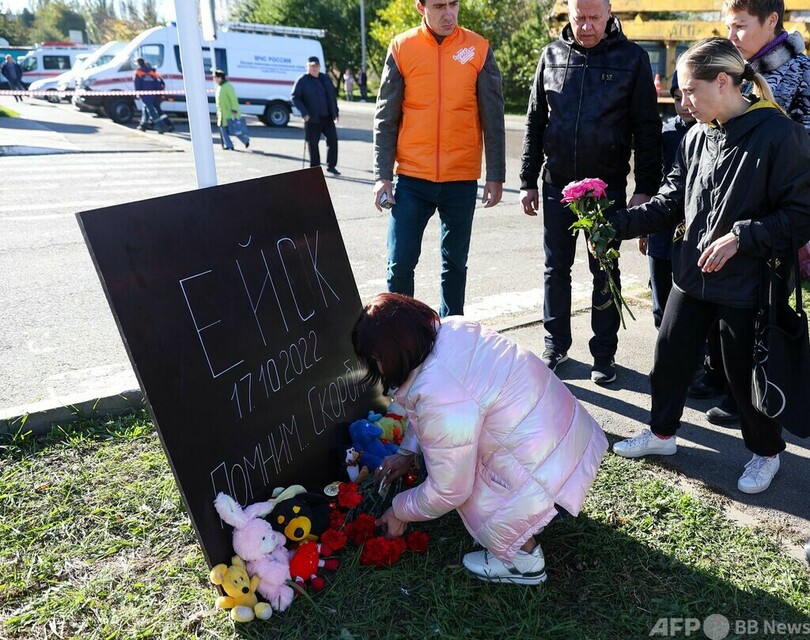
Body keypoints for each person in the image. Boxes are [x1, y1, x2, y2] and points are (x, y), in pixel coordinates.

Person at [610, 37, 810, 495]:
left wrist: (742, 237)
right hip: (692, 275)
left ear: (722, 82)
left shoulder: (780, 134)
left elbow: (801, 215)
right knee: (669, 357)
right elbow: (670, 202)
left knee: (743, 375)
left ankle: (766, 453)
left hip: (747, 284)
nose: (683, 102)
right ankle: (661, 433)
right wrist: (614, 223)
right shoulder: (696, 136)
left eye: (690, 91)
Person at [353, 293, 608, 584]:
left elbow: (450, 490)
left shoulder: (437, 392)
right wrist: (406, 452)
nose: (377, 367)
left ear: (390, 352)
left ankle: (524, 560)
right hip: (570, 443)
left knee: (460, 475)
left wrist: (399, 511)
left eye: (375, 359)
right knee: (453, 457)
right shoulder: (453, 328)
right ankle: (536, 511)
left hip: (549, 474)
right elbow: (431, 413)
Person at [519, 0, 662, 385]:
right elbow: (535, 121)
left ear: (609, 12)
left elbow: (647, 128)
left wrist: (645, 188)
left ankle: (604, 352)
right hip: (557, 186)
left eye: (594, 18)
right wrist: (527, 180)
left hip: (606, 189)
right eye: (578, 17)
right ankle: (555, 343)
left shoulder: (632, 59)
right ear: (568, 14)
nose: (586, 26)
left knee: (605, 269)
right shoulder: (551, 56)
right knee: (556, 268)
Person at [695, 0, 810, 423]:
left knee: (761, 309)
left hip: (771, 221)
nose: (731, 36)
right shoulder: (736, 68)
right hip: (727, 210)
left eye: (740, 26)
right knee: (722, 302)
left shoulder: (801, 73)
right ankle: (723, 377)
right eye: (728, 26)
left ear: (771, 20)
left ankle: (756, 397)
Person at [373, 0, 506, 318]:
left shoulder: (478, 48)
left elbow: (493, 117)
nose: (449, 13)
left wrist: (495, 175)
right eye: (439, 6)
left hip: (461, 179)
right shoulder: (402, 47)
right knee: (400, 263)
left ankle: (453, 331)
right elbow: (386, 117)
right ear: (421, 7)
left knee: (455, 265)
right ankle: (402, 333)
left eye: (454, 4)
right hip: (412, 179)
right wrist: (382, 175)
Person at [639, 72, 697, 329]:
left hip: (695, 228)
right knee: (661, 298)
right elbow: (653, 181)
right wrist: (644, 227)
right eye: (676, 97)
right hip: (662, 227)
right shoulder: (666, 132)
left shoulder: (714, 131)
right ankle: (662, 346)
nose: (683, 104)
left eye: (689, 95)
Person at [291, 56, 340, 175]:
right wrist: (304, 112)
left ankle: (331, 166)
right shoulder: (302, 80)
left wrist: (336, 112)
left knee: (333, 141)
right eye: (312, 66)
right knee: (313, 144)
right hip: (312, 118)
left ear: (319, 67)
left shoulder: (325, 78)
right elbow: (295, 97)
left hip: (327, 117)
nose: (314, 68)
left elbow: (332, 97)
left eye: (316, 66)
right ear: (307, 67)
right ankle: (315, 168)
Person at [214, 69, 249, 151]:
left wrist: (234, 109)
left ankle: (245, 140)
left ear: (220, 78)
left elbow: (233, 99)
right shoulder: (220, 87)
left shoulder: (227, 86)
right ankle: (229, 145)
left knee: (234, 129)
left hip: (229, 113)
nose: (214, 79)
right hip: (222, 113)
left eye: (215, 77)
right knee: (224, 130)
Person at [133, 58, 169, 134]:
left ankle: (162, 126)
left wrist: (137, 93)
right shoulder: (151, 72)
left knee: (151, 110)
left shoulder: (138, 72)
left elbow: (137, 84)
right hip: (153, 94)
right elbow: (157, 82)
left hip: (144, 94)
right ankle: (143, 125)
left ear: (138, 64)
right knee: (145, 108)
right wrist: (158, 93)